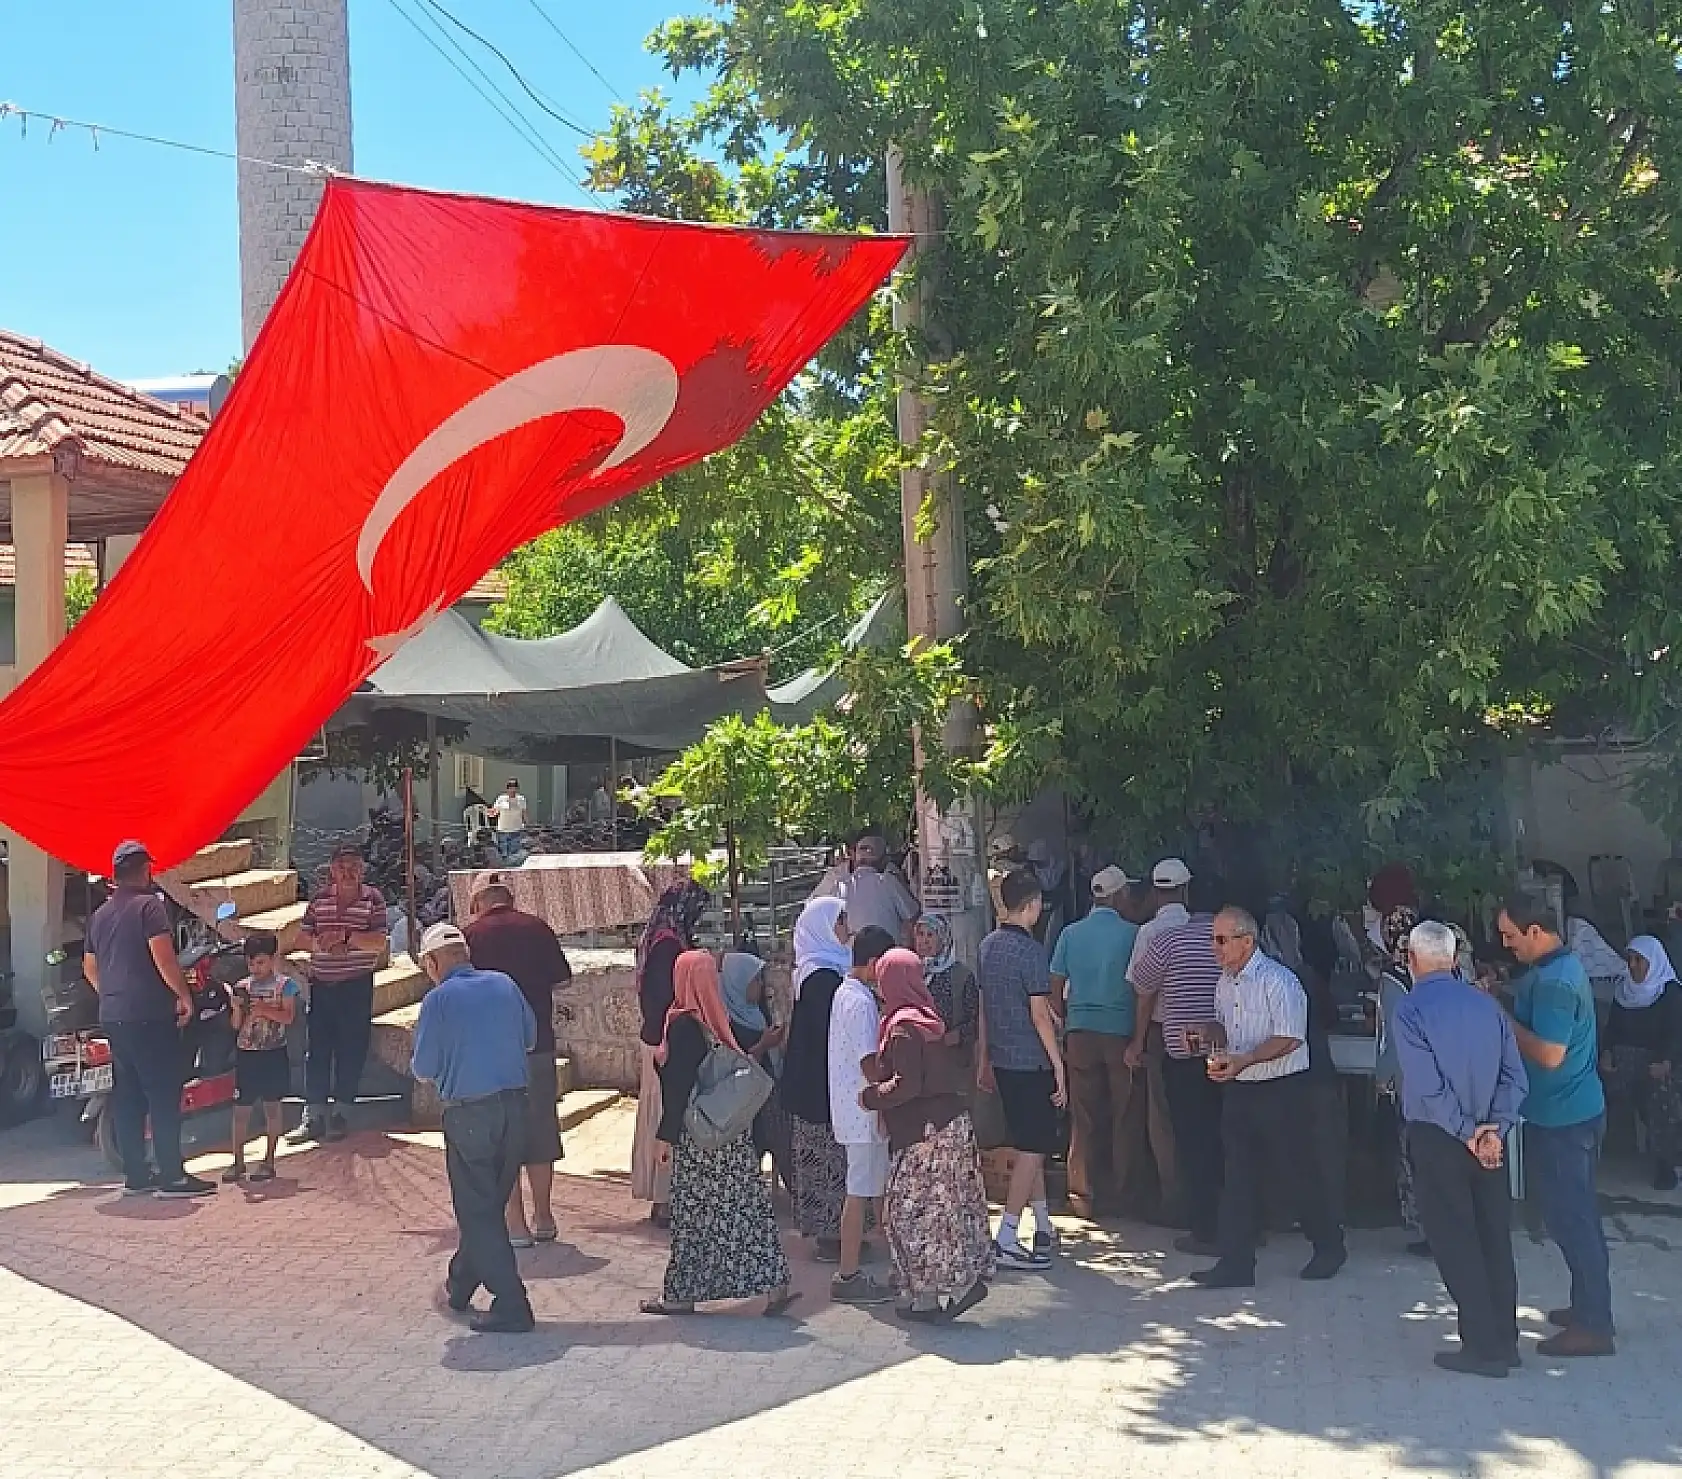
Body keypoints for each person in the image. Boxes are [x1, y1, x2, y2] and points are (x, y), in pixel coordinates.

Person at [1394, 920, 1528, 1378]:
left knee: (1456, 1242)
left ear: (1411, 960)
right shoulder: (1487, 1006)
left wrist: (1467, 1131)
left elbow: (1427, 1086)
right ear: (1454, 960)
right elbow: (1516, 1078)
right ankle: (1505, 1343)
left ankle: (1482, 1347)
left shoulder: (1410, 1010)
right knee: (1493, 1237)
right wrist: (1492, 1129)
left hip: (1441, 1137)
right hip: (1489, 1137)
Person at [1190, 907, 1346, 1289]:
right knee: (1238, 1177)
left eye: (1222, 939)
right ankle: (1236, 1263)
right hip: (1240, 1089)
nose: (1215, 947)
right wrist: (1207, 1033)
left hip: (1282, 1090)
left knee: (1296, 1173)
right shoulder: (1224, 983)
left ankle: (1328, 1244)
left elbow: (1290, 1037)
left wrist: (1247, 1058)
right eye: (1213, 938)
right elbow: (1227, 1027)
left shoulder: (1280, 981)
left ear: (1247, 941)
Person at [640, 950, 796, 1317]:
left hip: (699, 1140)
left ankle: (680, 1295)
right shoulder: (715, 1019)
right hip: (729, 1135)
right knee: (745, 1211)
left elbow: (678, 1089)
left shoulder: (681, 1025)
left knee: (692, 1218)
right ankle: (775, 1286)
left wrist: (664, 1139)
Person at [1497, 893, 1615, 1357]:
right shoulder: (1549, 972)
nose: (1506, 944)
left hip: (1567, 1121)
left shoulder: (1556, 982)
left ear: (1535, 932)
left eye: (1510, 935)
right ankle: (1589, 1304)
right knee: (1573, 1217)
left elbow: (1549, 1053)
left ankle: (1594, 1325)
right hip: (1566, 1114)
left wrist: (1502, 1019)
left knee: (1574, 1220)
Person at [411, 924, 536, 1332]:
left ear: (432, 963)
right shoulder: (505, 985)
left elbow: (424, 1068)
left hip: (470, 1114)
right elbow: (530, 1038)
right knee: (487, 1204)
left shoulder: (438, 1000)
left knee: (478, 1211)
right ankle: (461, 1282)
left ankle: (512, 1302)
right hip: (516, 1107)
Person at [862, 948, 995, 1321]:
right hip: (947, 1126)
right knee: (940, 1212)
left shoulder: (903, 1029)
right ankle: (923, 1296)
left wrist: (870, 1097)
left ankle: (955, 1286)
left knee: (910, 1214)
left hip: (926, 1135)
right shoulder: (927, 1019)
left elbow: (907, 1086)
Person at [82, 841, 214, 1199]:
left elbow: (89, 968)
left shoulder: (100, 915)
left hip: (114, 1015)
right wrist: (183, 995)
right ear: (144, 870)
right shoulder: (149, 907)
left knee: (128, 1096)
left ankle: (137, 1176)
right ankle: (172, 1175)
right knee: (162, 1093)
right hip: (149, 1016)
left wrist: (111, 994)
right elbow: (164, 958)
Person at [465, 881, 573, 1246]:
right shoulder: (537, 928)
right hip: (538, 1044)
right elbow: (562, 977)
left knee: (502, 1136)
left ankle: (516, 1223)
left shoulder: (472, 937)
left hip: (491, 1052)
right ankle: (544, 1216)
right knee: (540, 1130)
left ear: (478, 902)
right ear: (509, 899)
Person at [1128, 870, 1223, 1254]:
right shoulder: (1229, 943)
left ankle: (1204, 1227)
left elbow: (1142, 987)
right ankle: (1240, 1221)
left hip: (1183, 1057)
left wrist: (1137, 1040)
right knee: (1228, 1140)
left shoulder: (1168, 940)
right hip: (1229, 1056)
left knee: (1192, 1141)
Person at [977, 867, 1066, 1271]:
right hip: (1031, 1059)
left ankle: (1043, 1224)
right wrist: (1059, 1068)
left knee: (1030, 1142)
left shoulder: (988, 946)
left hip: (1002, 1056)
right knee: (1034, 1147)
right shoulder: (1032, 951)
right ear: (1031, 905)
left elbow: (985, 1007)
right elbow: (1040, 1016)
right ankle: (1009, 1232)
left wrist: (983, 1056)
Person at [1053, 865, 1143, 1218]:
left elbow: (1055, 984)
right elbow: (1141, 988)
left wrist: (1066, 1020)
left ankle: (1082, 1194)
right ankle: (1122, 1193)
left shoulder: (1070, 934)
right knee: (1124, 1114)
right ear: (1120, 895)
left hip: (1080, 1031)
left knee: (1084, 1116)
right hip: (1119, 1031)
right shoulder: (1133, 933)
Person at [290, 844, 388, 1145]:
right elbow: (301, 937)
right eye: (342, 866)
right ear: (332, 870)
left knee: (351, 1049)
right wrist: (323, 943)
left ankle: (342, 1113)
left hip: (355, 985)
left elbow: (378, 942)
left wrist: (347, 937)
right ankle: (314, 1114)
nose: (348, 872)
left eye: (354, 866)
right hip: (322, 984)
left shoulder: (373, 900)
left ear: (363, 869)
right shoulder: (319, 899)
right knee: (316, 1050)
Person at [631, 879, 710, 1226]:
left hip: (663, 1037)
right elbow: (664, 997)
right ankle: (664, 1199)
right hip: (666, 1042)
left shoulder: (664, 938)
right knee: (667, 1117)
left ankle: (668, 1195)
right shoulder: (668, 946)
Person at [782, 896, 855, 1256]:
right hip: (820, 1085)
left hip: (818, 1082)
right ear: (824, 927)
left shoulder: (820, 969)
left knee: (827, 1156)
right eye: (841, 922)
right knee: (825, 1158)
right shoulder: (822, 978)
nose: (847, 929)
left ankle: (834, 1231)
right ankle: (832, 1234)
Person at [829, 924, 896, 1304]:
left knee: (875, 1191)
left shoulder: (849, 994)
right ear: (873, 963)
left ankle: (895, 1264)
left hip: (856, 1108)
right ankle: (848, 1273)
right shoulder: (860, 1002)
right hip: (862, 1110)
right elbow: (870, 1065)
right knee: (859, 1192)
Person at [1603, 936, 1682, 1191]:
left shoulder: (1669, 992)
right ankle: (1596, 1150)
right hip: (1627, 1060)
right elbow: (1612, 1029)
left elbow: (1675, 1032)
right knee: (1598, 1084)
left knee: (1662, 1097)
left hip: (1662, 1062)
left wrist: (1666, 1061)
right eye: (1630, 960)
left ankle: (1665, 1163)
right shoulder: (1623, 990)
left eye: (1640, 960)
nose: (1633, 966)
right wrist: (1606, 1053)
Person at [1373, 903, 1431, 1255]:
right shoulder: (1442, 970)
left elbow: (1391, 1038)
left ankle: (1427, 1228)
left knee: (1413, 1156)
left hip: (1410, 1083)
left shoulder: (1393, 980)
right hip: (1443, 1076)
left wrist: (1383, 1079)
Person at [224, 931, 301, 1184]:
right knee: (240, 1111)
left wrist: (265, 1010)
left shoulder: (285, 986)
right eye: (251, 963)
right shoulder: (242, 987)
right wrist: (237, 1009)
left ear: (272, 959)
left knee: (272, 1108)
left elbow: (288, 1017)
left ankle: (269, 1160)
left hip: (273, 1053)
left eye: (261, 962)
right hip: (247, 1054)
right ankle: (237, 1161)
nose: (256, 968)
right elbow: (235, 1026)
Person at [720, 950, 792, 1192]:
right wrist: (763, 1045)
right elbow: (739, 1063)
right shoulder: (729, 1023)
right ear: (738, 983)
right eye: (755, 980)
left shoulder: (755, 1015)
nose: (760, 986)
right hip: (746, 1105)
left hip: (766, 1095)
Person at [825, 833, 919, 944]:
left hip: (854, 954)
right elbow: (912, 915)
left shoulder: (840, 886)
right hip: (887, 953)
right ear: (883, 860)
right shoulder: (888, 881)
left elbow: (832, 924)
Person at [915, 911, 979, 1067]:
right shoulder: (910, 971)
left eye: (930, 935)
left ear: (943, 939)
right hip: (919, 1058)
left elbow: (976, 1020)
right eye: (920, 934)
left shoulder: (961, 975)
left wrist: (956, 1036)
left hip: (952, 1058)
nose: (924, 941)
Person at [491, 779, 530, 860]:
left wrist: (527, 824)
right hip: (503, 830)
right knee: (503, 853)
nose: (512, 790)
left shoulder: (521, 799)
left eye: (514, 788)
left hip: (516, 829)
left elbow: (524, 812)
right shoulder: (501, 799)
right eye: (510, 788)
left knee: (514, 852)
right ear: (507, 789)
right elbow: (495, 811)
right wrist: (490, 812)